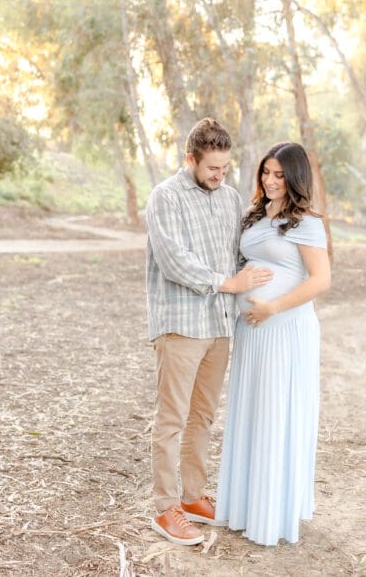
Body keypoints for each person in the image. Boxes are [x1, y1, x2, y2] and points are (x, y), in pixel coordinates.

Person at [145, 118, 274, 546]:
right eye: (212, 169)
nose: (220, 176)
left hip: (219, 326)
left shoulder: (230, 198)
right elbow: (173, 260)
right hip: (181, 326)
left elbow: (235, 254)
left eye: (225, 168)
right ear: (191, 159)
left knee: (202, 417)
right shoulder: (165, 197)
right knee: (171, 419)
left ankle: (192, 496)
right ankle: (165, 509)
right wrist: (228, 283)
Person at [214, 141, 332, 546]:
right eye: (266, 172)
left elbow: (321, 280)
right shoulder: (254, 216)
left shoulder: (306, 222)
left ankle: (272, 512)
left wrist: (273, 307)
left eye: (280, 175)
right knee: (252, 411)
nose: (270, 180)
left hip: (285, 329)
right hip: (252, 332)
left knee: (276, 411)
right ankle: (246, 505)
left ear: (295, 177)